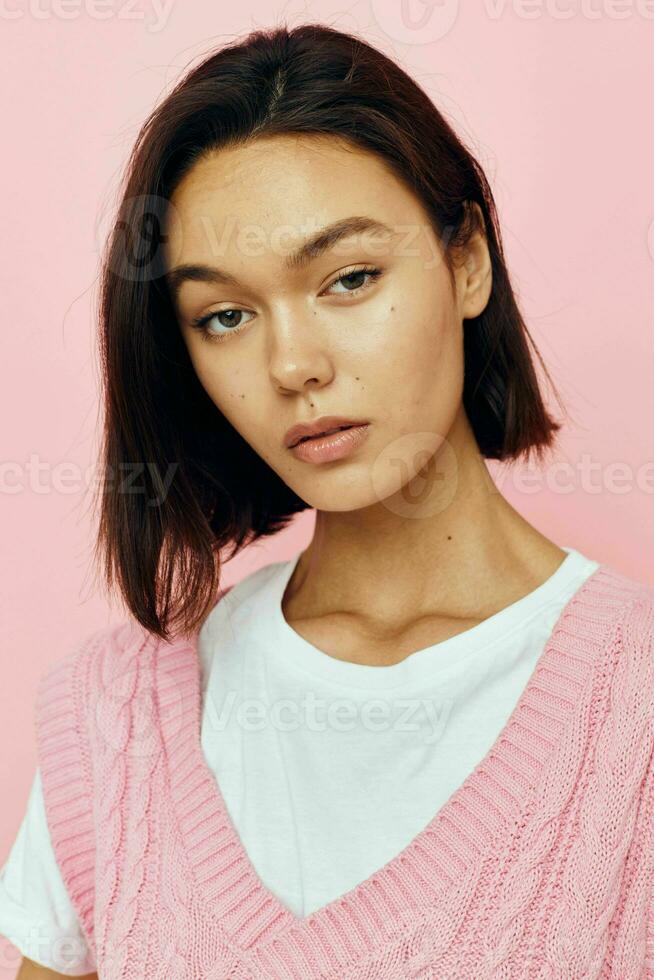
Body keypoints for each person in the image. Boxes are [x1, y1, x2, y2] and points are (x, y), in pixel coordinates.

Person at [2, 21, 653, 980]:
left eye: (349, 278)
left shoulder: (635, 712)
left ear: (465, 259)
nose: (294, 366)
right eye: (225, 315)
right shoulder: (116, 718)